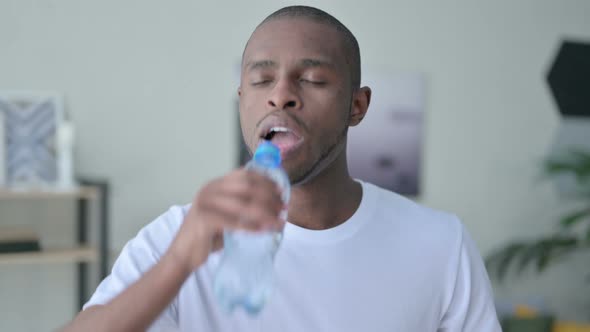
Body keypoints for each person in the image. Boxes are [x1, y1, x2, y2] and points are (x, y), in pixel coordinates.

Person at [65, 5, 501, 332]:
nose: (281, 96)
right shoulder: (176, 237)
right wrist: (179, 262)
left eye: (311, 80)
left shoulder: (442, 244)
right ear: (242, 99)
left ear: (357, 105)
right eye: (260, 80)